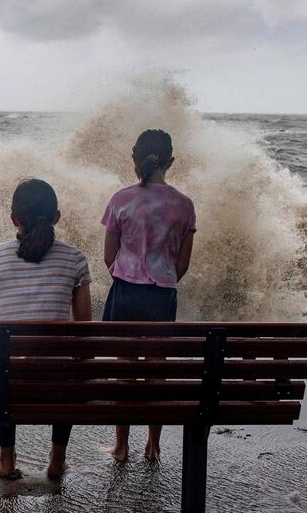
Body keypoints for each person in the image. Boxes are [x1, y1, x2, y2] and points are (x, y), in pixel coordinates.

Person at [0, 178, 92, 479]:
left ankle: (6, 459)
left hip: (8, 381)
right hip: (57, 382)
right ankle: (57, 461)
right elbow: (84, 331)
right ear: (57, 217)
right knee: (69, 364)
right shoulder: (75, 259)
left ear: (14, 219)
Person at [100, 129, 196, 462]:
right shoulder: (184, 205)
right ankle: (153, 445)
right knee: (157, 371)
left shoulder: (120, 199)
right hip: (162, 294)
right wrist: (162, 279)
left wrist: (129, 276)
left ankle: (121, 446)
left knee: (124, 371)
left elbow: (109, 257)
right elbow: (182, 264)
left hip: (125, 291)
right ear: (171, 161)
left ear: (134, 159)